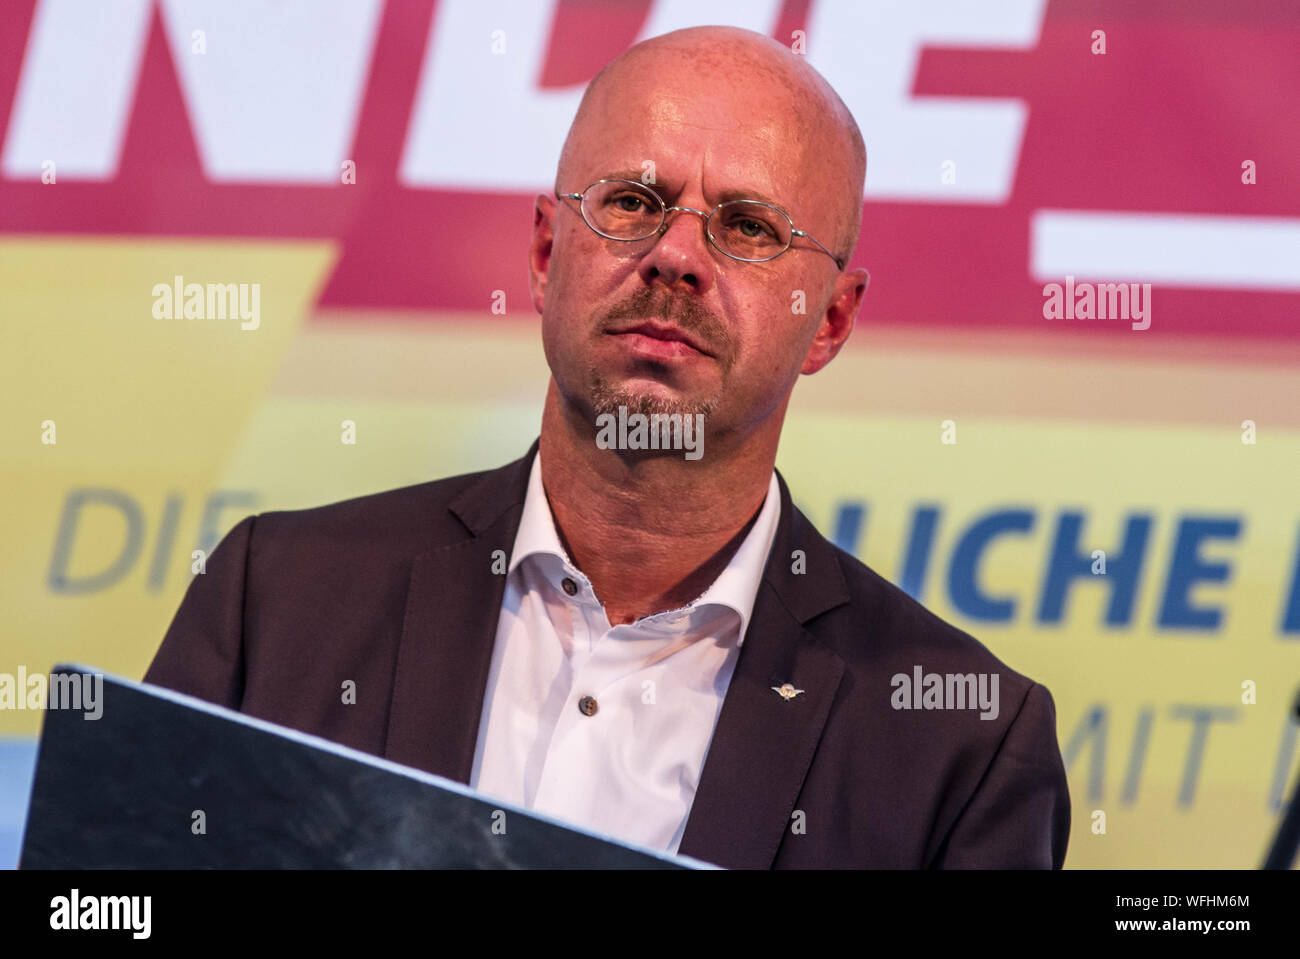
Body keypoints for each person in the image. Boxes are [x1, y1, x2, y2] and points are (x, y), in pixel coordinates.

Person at [145, 25, 1070, 868]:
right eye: (632, 201)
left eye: (747, 227)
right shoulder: (275, 602)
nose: (676, 255)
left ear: (829, 320)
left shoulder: (965, 747)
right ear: (547, 254)